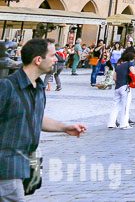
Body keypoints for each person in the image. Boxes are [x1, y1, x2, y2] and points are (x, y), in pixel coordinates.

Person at [0, 39, 87, 201]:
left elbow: (35, 118)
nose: (57, 59)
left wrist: (64, 127)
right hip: (6, 169)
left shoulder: (38, 87)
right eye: (53, 55)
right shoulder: (6, 86)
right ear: (38, 60)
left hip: (24, 165)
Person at [107, 50, 135, 129]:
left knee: (115, 106)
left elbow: (114, 78)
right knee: (125, 106)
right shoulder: (130, 63)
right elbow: (132, 72)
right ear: (131, 58)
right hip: (125, 87)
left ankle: (111, 123)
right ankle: (124, 124)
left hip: (117, 87)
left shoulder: (118, 66)